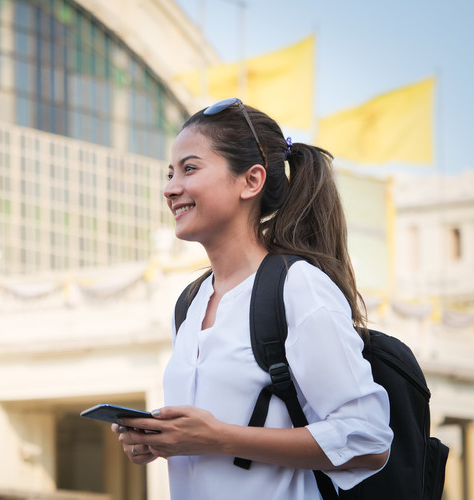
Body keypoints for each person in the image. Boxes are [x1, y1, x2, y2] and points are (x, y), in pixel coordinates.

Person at [111, 98, 393, 499]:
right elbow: (209, 438)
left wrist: (219, 439)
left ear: (251, 181)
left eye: (189, 169)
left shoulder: (298, 287)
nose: (171, 188)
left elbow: (369, 442)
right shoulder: (190, 303)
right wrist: (160, 439)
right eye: (170, 173)